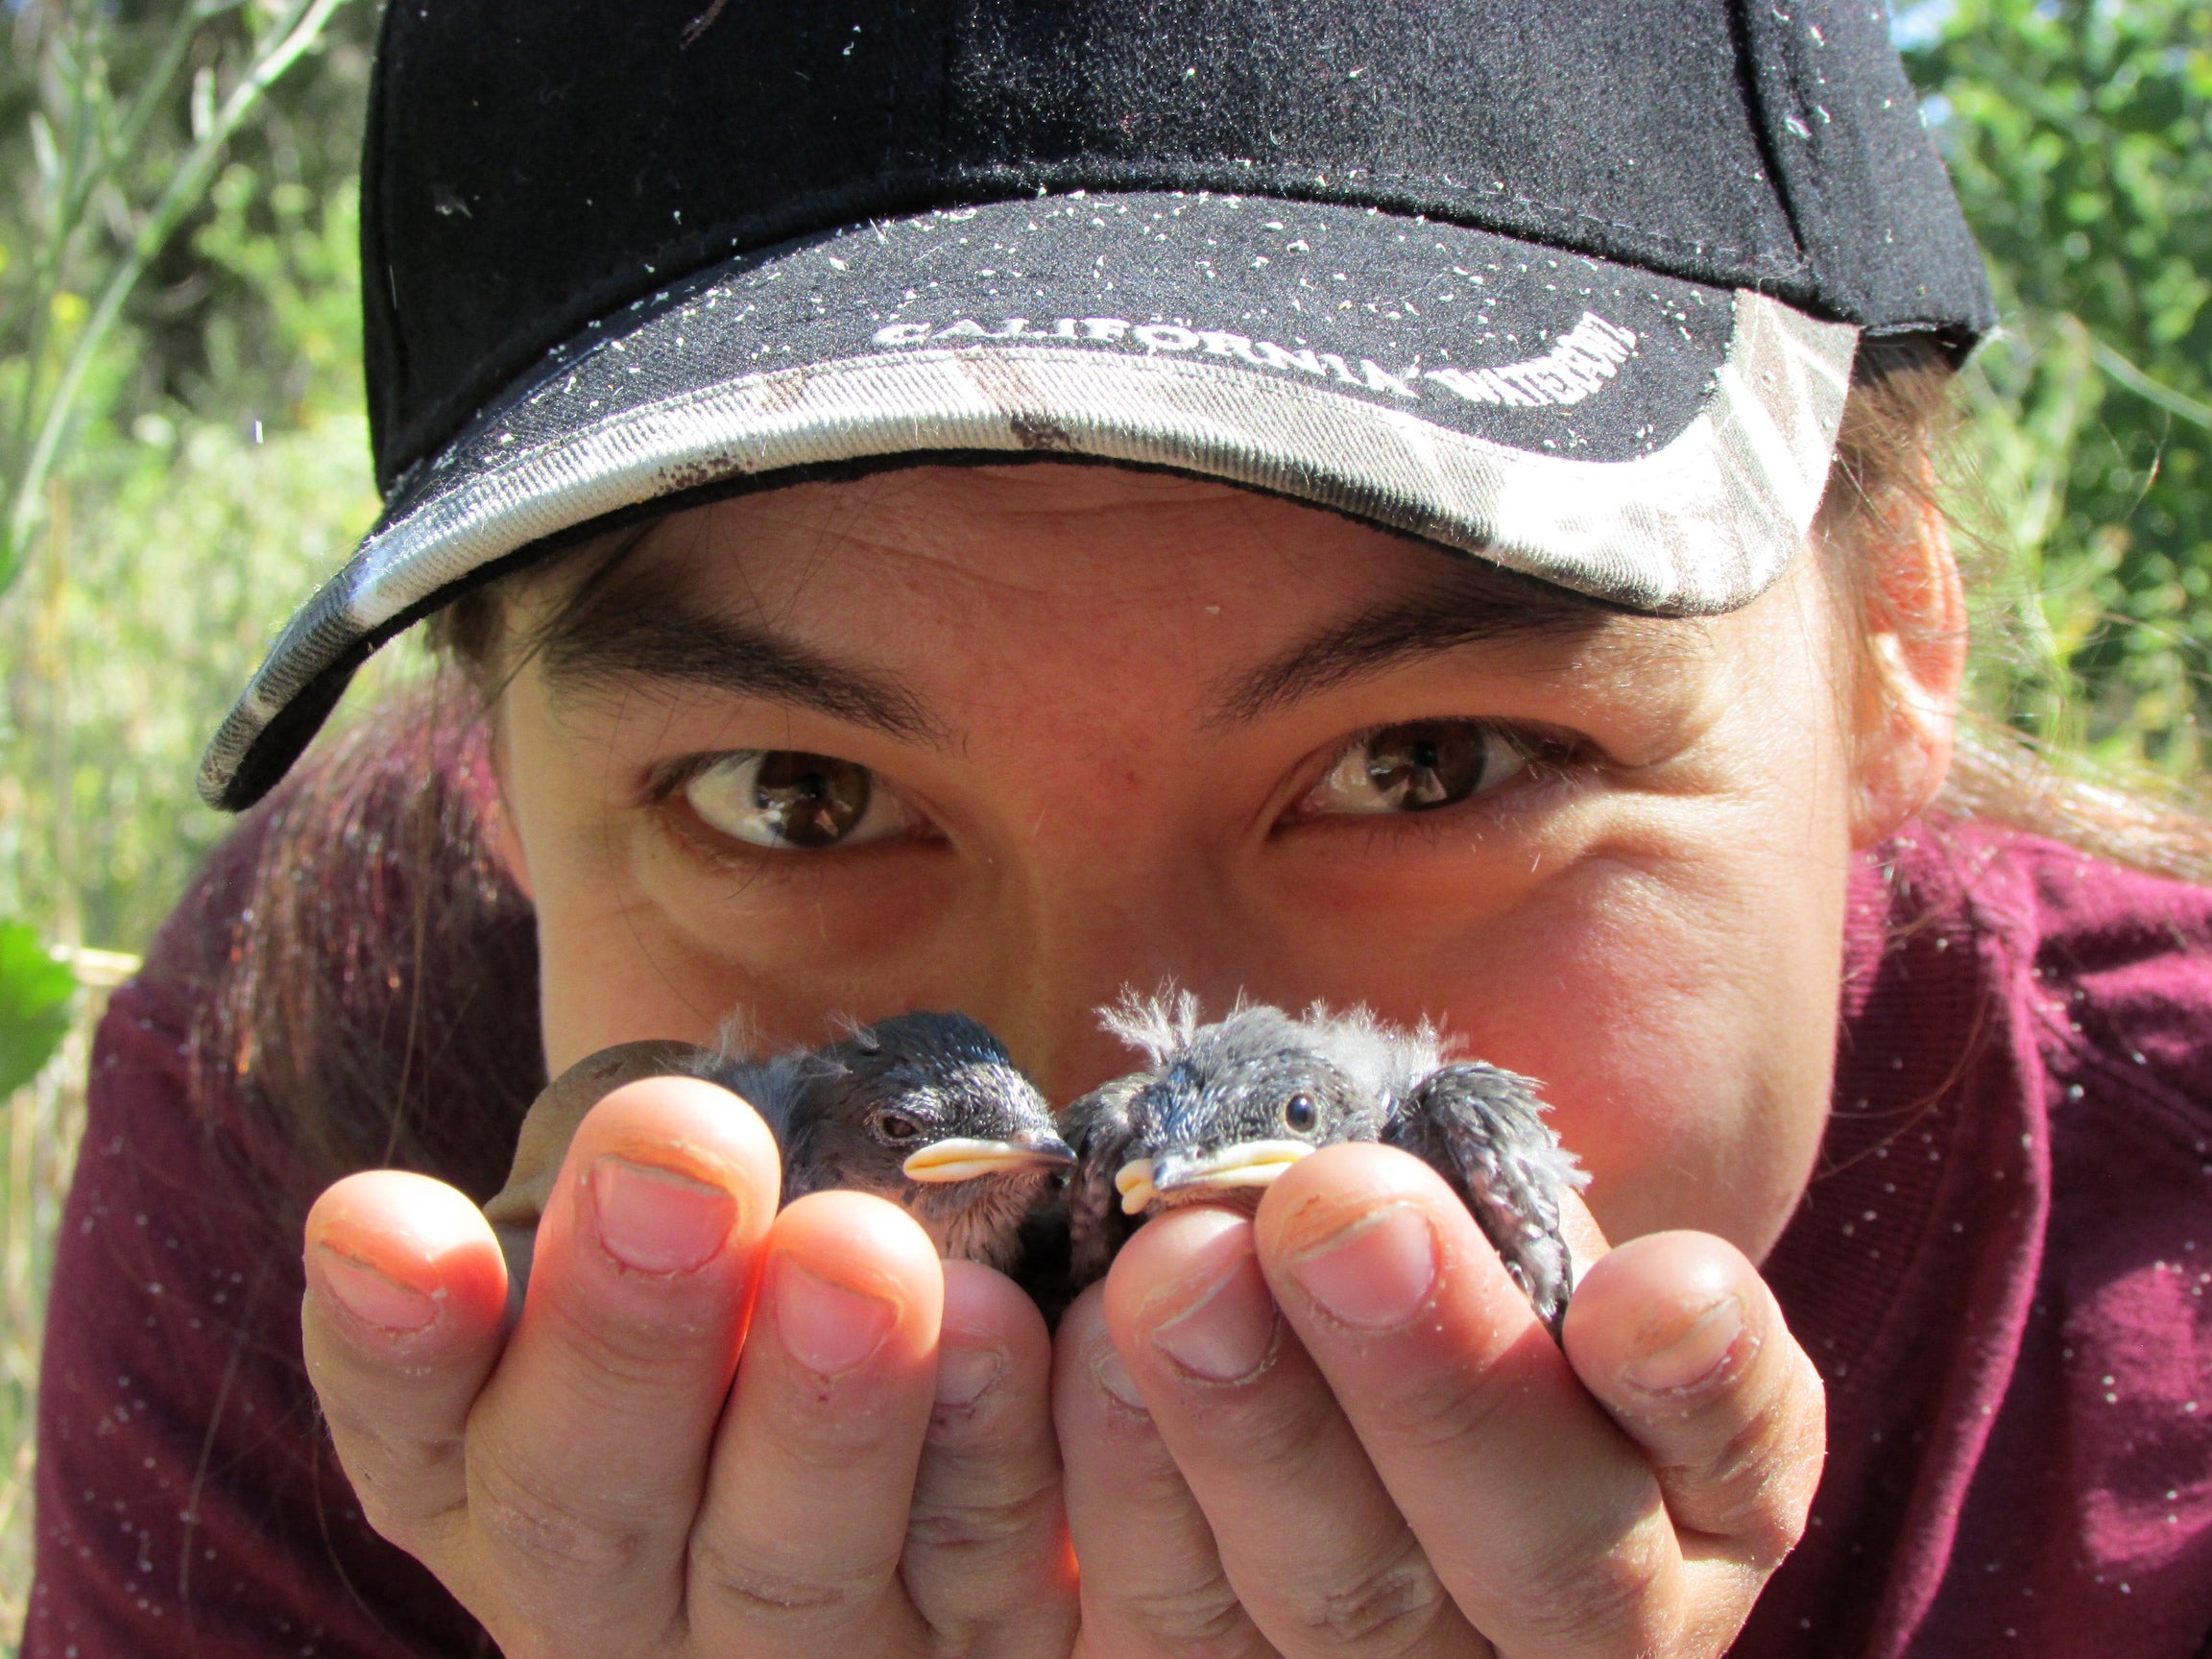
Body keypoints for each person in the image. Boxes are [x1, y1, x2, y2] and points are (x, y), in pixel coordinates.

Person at [24, 1, 2212, 1655]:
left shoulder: (2171, 1298)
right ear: (498, 773)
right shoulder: (321, 1134)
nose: (1102, 1136)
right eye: (803, 799)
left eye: (1424, 762)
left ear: (1895, 634)